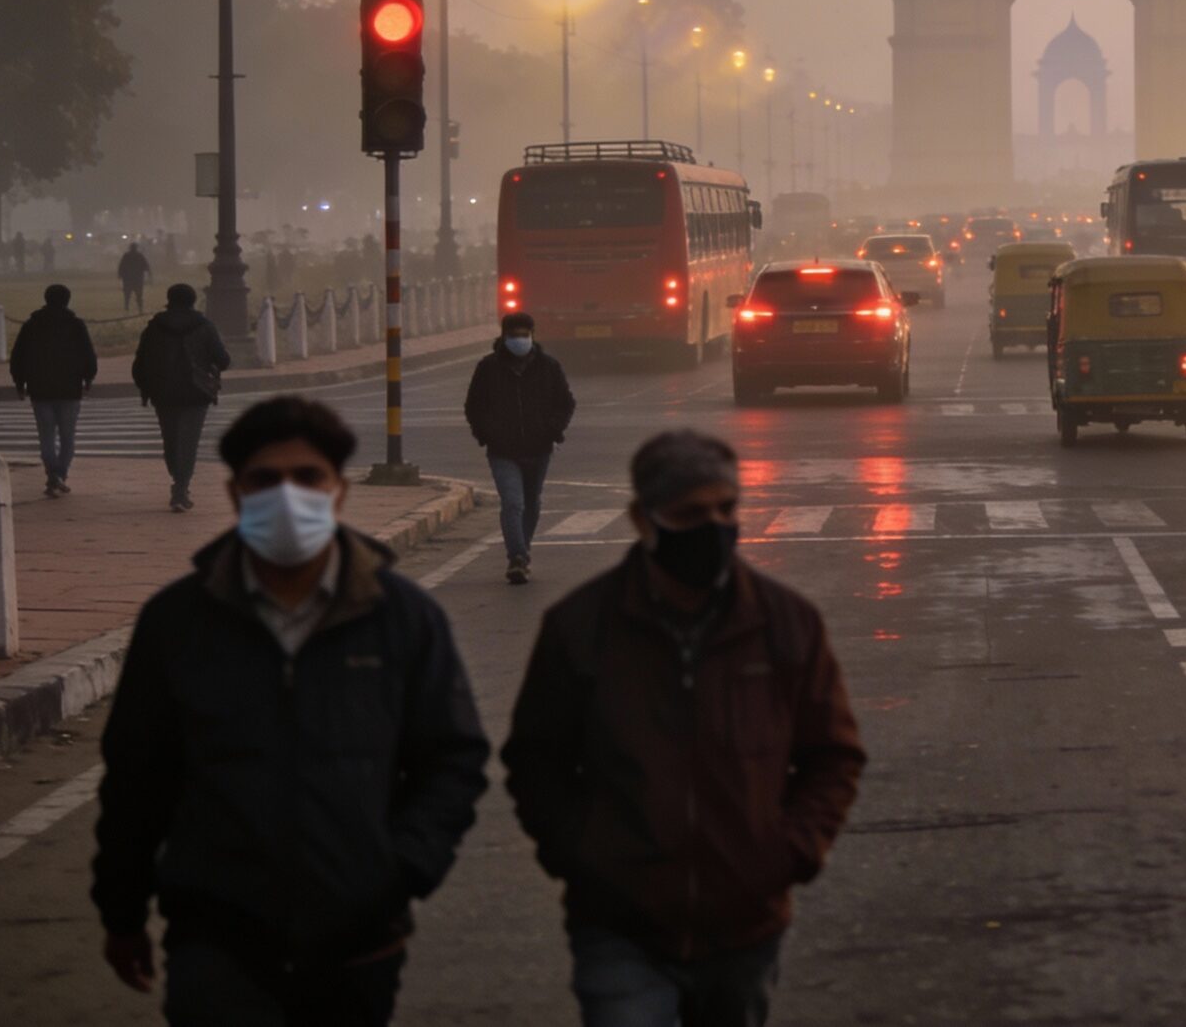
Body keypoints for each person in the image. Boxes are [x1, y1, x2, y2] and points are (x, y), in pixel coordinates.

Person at [91, 396, 490, 1027]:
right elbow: (137, 780)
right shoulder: (179, 623)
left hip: (359, 938)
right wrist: (122, 911)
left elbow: (453, 761)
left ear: (338, 492)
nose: (287, 496)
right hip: (217, 937)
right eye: (265, 480)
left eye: (307, 478)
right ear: (234, 493)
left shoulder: (402, 619)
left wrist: (400, 869)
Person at [505, 430, 863, 1027]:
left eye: (726, 509)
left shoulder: (784, 623)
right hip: (619, 923)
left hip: (745, 923)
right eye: (691, 514)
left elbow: (834, 757)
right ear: (644, 521)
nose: (715, 527)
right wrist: (584, 857)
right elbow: (535, 761)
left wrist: (786, 854)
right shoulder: (581, 628)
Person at [462, 311, 576, 585]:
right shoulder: (488, 368)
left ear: (532, 336)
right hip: (502, 450)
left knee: (532, 502)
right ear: (504, 336)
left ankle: (522, 550)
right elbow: (473, 406)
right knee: (513, 503)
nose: (519, 340)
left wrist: (553, 429)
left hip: (539, 448)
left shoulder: (548, 367)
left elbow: (565, 402)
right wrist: (485, 434)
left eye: (524, 335)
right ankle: (517, 557)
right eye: (514, 335)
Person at [133, 283, 233, 512]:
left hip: (163, 391)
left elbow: (141, 362)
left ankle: (177, 479)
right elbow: (223, 360)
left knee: (170, 439)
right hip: (196, 391)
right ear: (192, 301)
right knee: (189, 442)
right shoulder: (205, 326)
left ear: (170, 300)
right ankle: (181, 487)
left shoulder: (155, 327)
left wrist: (146, 386)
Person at [9, 283, 99, 497]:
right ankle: (60, 474)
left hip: (40, 388)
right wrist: (88, 379)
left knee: (46, 436)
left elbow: (18, 357)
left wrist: (20, 383)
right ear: (67, 300)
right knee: (68, 437)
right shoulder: (75, 325)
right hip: (69, 388)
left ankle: (52, 475)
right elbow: (88, 354)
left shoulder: (32, 325)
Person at [118, 241, 153, 312]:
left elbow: (121, 266)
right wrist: (149, 274)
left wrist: (120, 274)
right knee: (138, 294)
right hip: (137, 278)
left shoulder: (127, 256)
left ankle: (127, 306)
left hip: (128, 278)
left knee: (127, 294)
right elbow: (146, 266)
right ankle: (139, 308)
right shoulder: (139, 256)